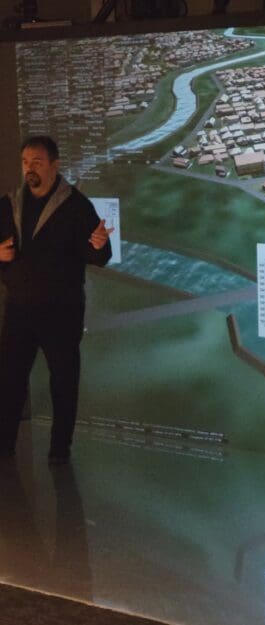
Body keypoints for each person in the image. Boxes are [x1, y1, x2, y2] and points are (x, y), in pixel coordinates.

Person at [0, 136, 113, 464]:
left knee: (63, 383)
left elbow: (98, 255)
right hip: (19, 311)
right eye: (25, 162)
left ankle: (59, 452)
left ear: (54, 165)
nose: (29, 169)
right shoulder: (8, 205)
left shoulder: (77, 206)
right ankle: (4, 446)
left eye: (36, 162)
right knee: (9, 381)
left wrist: (99, 244)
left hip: (61, 314)